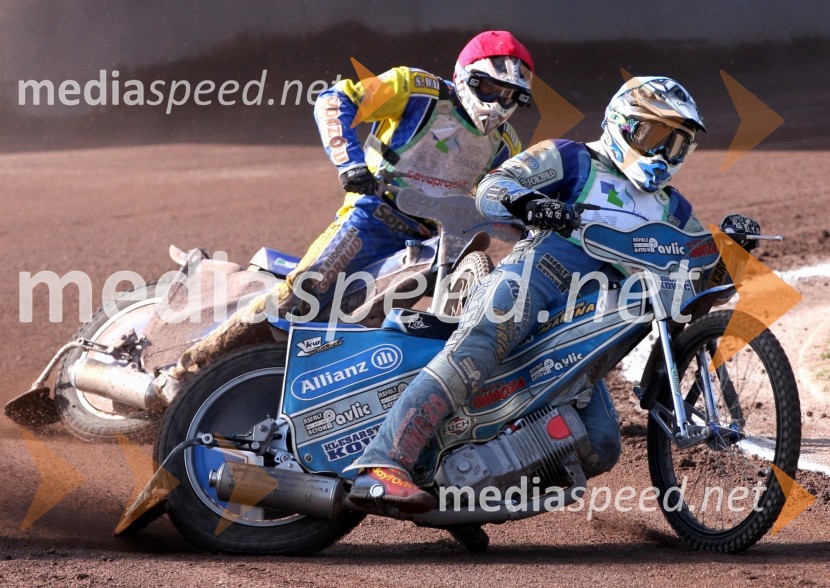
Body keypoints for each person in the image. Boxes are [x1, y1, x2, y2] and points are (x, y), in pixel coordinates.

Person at [347, 76, 761, 513]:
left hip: (590, 325)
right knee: (477, 350)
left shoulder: (674, 209)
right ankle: (380, 464)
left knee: (600, 443)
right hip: (535, 275)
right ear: (622, 124)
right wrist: (529, 204)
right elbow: (492, 188)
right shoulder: (573, 158)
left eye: (676, 146)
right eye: (655, 136)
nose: (662, 155)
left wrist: (732, 254)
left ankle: (461, 498)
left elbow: (701, 291)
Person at [153, 31, 535, 400]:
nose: (498, 104)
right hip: (371, 216)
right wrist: (351, 166)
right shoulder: (415, 88)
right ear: (464, 76)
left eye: (511, 96)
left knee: (364, 323)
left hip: (427, 240)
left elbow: (505, 196)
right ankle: (184, 370)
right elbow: (334, 100)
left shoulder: (506, 145)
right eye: (490, 89)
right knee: (300, 293)